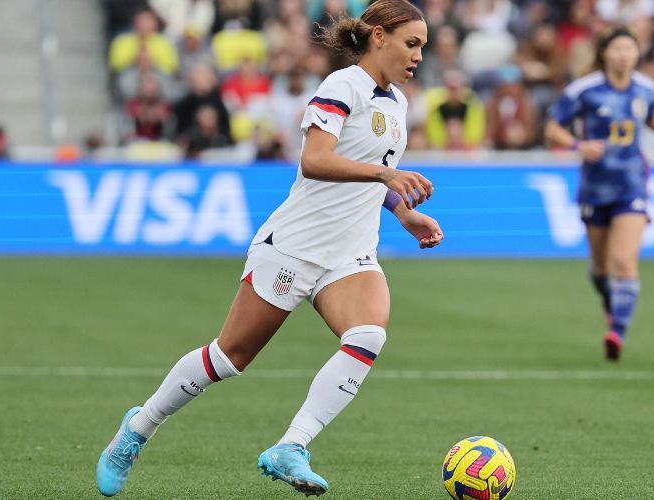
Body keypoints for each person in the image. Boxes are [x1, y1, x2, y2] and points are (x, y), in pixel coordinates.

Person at [95, 1, 440, 497]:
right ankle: (137, 430)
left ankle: (292, 446)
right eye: (412, 44)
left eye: (423, 47)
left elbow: (369, 171)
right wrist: (388, 174)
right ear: (379, 37)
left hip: (350, 255)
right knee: (228, 357)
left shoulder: (398, 103)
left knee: (367, 335)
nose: (419, 56)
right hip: (294, 248)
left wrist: (402, 211)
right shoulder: (341, 87)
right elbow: (317, 160)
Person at [543, 27, 654, 361]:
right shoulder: (585, 90)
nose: (624, 55)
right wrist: (579, 145)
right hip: (594, 188)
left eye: (630, 49)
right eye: (617, 48)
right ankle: (610, 300)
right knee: (600, 269)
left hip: (632, 185)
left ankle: (616, 332)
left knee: (623, 262)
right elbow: (552, 128)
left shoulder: (647, 88)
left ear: (637, 54)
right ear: (604, 53)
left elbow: (650, 117)